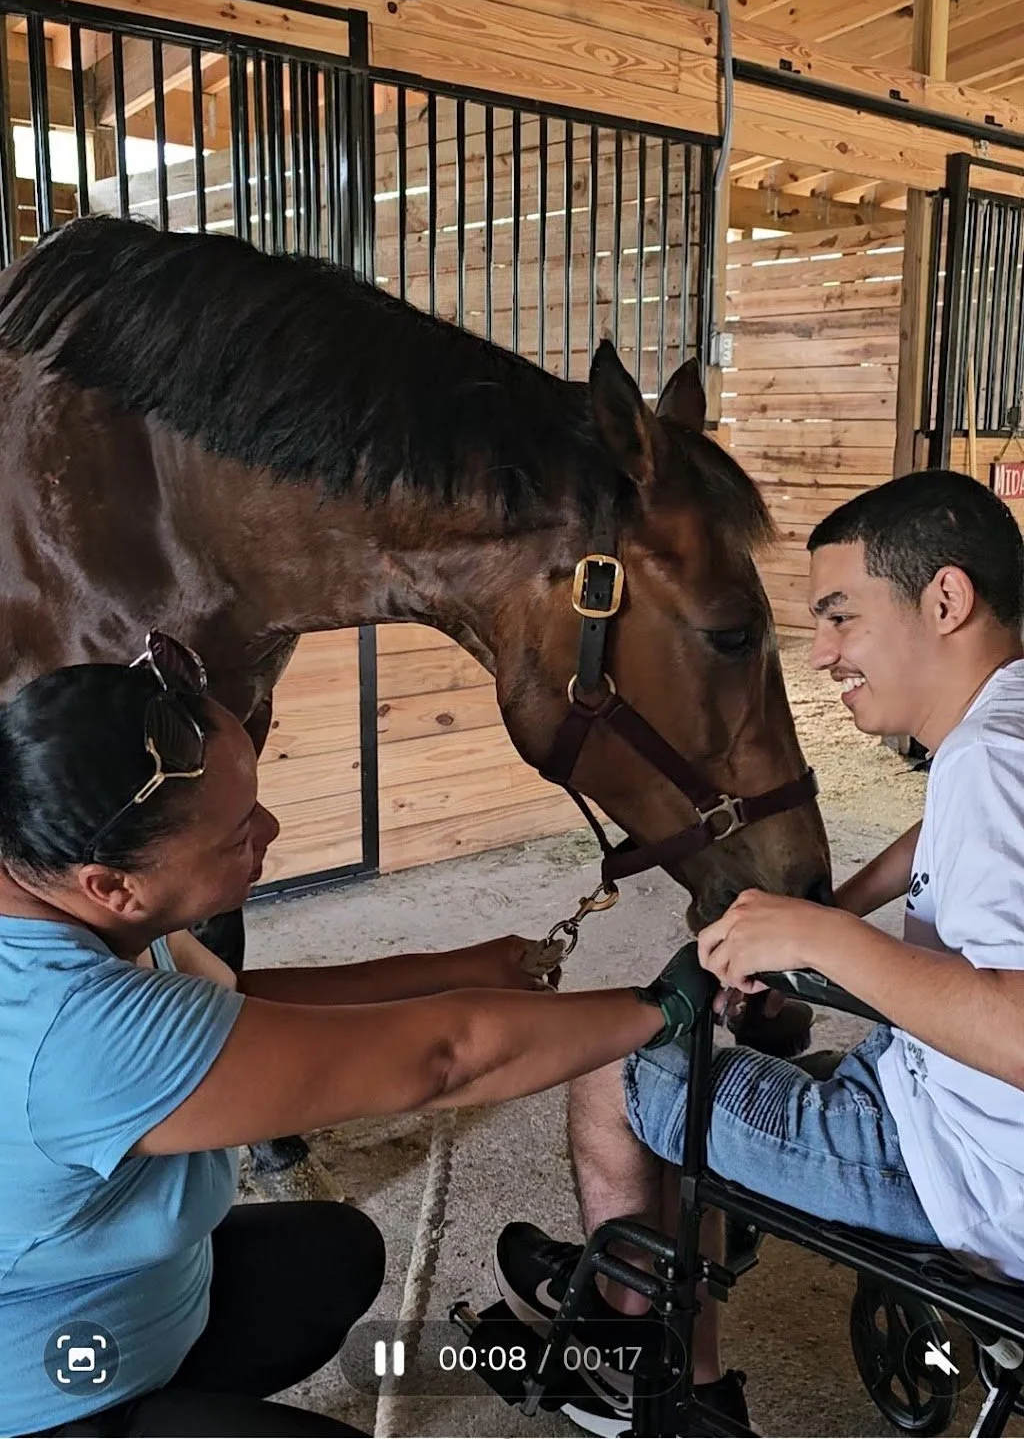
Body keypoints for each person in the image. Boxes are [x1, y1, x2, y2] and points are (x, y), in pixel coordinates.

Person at [0, 632, 714, 1439]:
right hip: (43, 1390)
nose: (267, 830)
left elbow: (236, 1005)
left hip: (110, 1298)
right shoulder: (73, 1029)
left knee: (331, 1254)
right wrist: (665, 1007)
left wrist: (456, 969)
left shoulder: (51, 885)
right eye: (237, 833)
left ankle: (178, 1379)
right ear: (113, 885)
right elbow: (444, 1061)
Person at [493, 468, 1024, 1436]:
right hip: (949, 1110)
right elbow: (942, 839)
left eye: (840, 617)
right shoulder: (1000, 727)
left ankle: (634, 1361)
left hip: (962, 1172)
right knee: (710, 1080)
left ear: (944, 599)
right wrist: (827, 906)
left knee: (610, 1066)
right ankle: (677, 1349)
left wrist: (817, 937)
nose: (820, 653)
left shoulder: (990, 762)